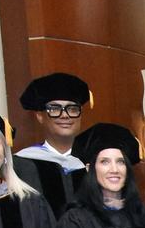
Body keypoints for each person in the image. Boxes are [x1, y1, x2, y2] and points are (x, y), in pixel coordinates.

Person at [13, 72, 91, 218]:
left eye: (73, 109)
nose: (65, 115)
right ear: (40, 116)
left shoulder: (96, 164)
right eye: (54, 109)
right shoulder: (21, 165)